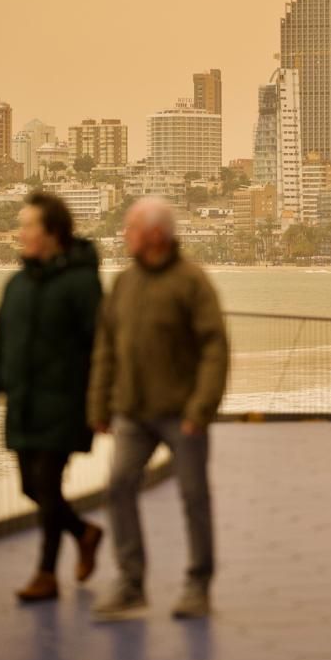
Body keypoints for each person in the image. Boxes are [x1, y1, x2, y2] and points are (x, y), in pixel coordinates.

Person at [88, 196, 229, 621]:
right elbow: (106, 348)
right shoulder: (124, 283)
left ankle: (198, 585)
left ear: (154, 235)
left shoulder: (191, 282)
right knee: (118, 487)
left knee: (193, 497)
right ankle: (131, 585)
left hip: (182, 414)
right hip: (132, 413)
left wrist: (201, 409)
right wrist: (99, 405)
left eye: (130, 228)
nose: (124, 235)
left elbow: (214, 348)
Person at [0, 191, 103, 602]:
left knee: (46, 486)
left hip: (65, 405)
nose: (21, 232)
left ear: (52, 232)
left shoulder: (82, 284)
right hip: (24, 405)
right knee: (31, 487)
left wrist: (101, 404)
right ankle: (84, 532)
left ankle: (46, 574)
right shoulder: (16, 285)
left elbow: (101, 347)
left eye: (28, 225)